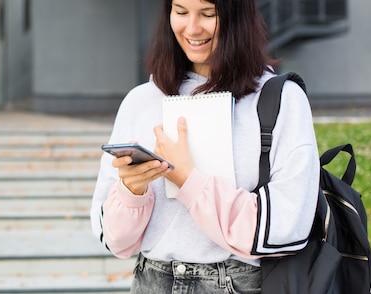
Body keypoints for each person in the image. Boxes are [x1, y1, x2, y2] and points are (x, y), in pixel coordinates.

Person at [89, 0, 320, 293]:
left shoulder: (281, 99)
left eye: (208, 14)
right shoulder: (140, 101)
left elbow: (286, 229)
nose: (192, 28)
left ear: (237, 16)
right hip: (151, 281)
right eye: (181, 12)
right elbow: (115, 241)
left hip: (238, 283)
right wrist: (132, 191)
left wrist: (189, 181)